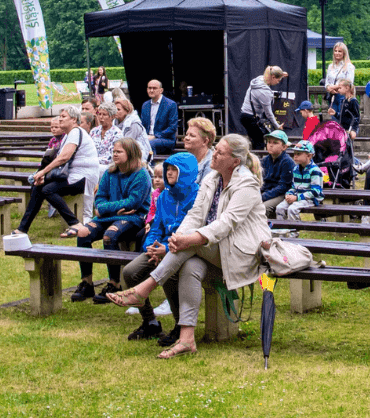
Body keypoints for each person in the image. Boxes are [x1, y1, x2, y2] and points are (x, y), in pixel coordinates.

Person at [108, 134, 271, 360]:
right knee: (190, 266)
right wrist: (178, 237)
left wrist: (185, 240)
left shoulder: (247, 184)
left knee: (189, 246)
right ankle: (186, 339)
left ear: (235, 161)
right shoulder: (212, 178)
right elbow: (195, 214)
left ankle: (145, 288)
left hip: (242, 253)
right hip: (214, 248)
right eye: (216, 149)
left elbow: (226, 224)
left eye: (220, 152)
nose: (214, 154)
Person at [118, 152, 201, 343]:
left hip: (183, 249)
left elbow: (191, 229)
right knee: (131, 272)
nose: (169, 174)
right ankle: (150, 323)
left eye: (174, 170)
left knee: (170, 275)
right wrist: (150, 247)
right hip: (160, 248)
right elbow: (156, 227)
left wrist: (165, 249)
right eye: (168, 169)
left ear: (186, 172)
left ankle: (181, 327)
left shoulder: (198, 196)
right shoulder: (164, 196)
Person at [65, 138, 153, 302]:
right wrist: (111, 209)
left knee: (109, 236)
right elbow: (99, 200)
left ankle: (114, 283)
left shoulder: (141, 175)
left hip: (135, 218)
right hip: (110, 216)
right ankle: (87, 283)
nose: (114, 154)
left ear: (131, 153)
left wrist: (105, 208)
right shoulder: (109, 173)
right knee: (83, 232)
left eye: (119, 151)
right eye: (114, 151)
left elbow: (133, 203)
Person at [13, 108, 100, 235]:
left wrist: (43, 173)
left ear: (74, 119)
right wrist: (45, 177)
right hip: (72, 175)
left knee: (48, 189)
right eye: (59, 116)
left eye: (63, 116)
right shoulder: (68, 135)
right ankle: (22, 228)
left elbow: (64, 158)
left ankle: (74, 223)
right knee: (39, 186)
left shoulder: (76, 132)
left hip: (84, 178)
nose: (60, 119)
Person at [239, 65, 287, 149]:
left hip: (244, 115)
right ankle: (257, 160)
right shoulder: (264, 92)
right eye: (278, 80)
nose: (278, 82)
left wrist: (281, 74)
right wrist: (277, 126)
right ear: (273, 77)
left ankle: (254, 158)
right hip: (250, 118)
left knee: (255, 140)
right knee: (259, 142)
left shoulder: (259, 79)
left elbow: (273, 73)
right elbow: (268, 113)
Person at [276, 141, 323, 223]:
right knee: (280, 208)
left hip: (310, 199)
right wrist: (289, 194)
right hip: (297, 196)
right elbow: (294, 187)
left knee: (292, 209)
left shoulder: (315, 171)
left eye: (299, 154)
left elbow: (316, 191)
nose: (295, 156)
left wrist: (297, 198)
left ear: (309, 155)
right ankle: (281, 230)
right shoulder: (295, 169)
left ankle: (293, 232)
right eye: (295, 154)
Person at [140, 79, 180, 155]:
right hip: (147, 138)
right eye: (149, 88)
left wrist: (155, 136)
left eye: (154, 88)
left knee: (150, 143)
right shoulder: (145, 105)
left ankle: (150, 165)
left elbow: (172, 127)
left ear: (161, 90)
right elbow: (142, 126)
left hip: (166, 139)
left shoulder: (171, 105)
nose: (151, 90)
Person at [260, 129, 294, 216]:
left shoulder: (287, 162)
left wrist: (263, 196)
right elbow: (260, 181)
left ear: (284, 147)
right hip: (267, 192)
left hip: (283, 194)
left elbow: (283, 187)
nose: (271, 145)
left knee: (262, 208)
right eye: (269, 142)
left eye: (275, 143)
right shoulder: (265, 160)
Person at [113, 96, 153, 163]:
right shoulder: (114, 122)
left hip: (140, 154)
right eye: (115, 110)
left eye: (118, 109)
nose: (115, 112)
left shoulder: (134, 123)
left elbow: (127, 144)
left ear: (126, 111)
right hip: (123, 152)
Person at [90, 103, 122, 168]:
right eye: (99, 114)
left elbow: (111, 157)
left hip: (108, 166)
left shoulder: (117, 134)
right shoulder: (94, 131)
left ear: (112, 116)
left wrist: (93, 161)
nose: (101, 117)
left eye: (104, 114)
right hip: (92, 164)